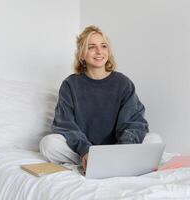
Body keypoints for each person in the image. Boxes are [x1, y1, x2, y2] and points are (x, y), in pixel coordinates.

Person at [40, 25, 162, 172]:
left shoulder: (123, 83)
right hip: (86, 151)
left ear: (108, 51)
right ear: (81, 54)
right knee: (48, 144)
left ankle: (108, 163)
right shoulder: (70, 85)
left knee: (155, 140)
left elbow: (134, 122)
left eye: (103, 46)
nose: (99, 51)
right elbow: (65, 125)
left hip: (119, 149)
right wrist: (86, 150)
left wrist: (121, 150)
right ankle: (94, 162)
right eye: (92, 47)